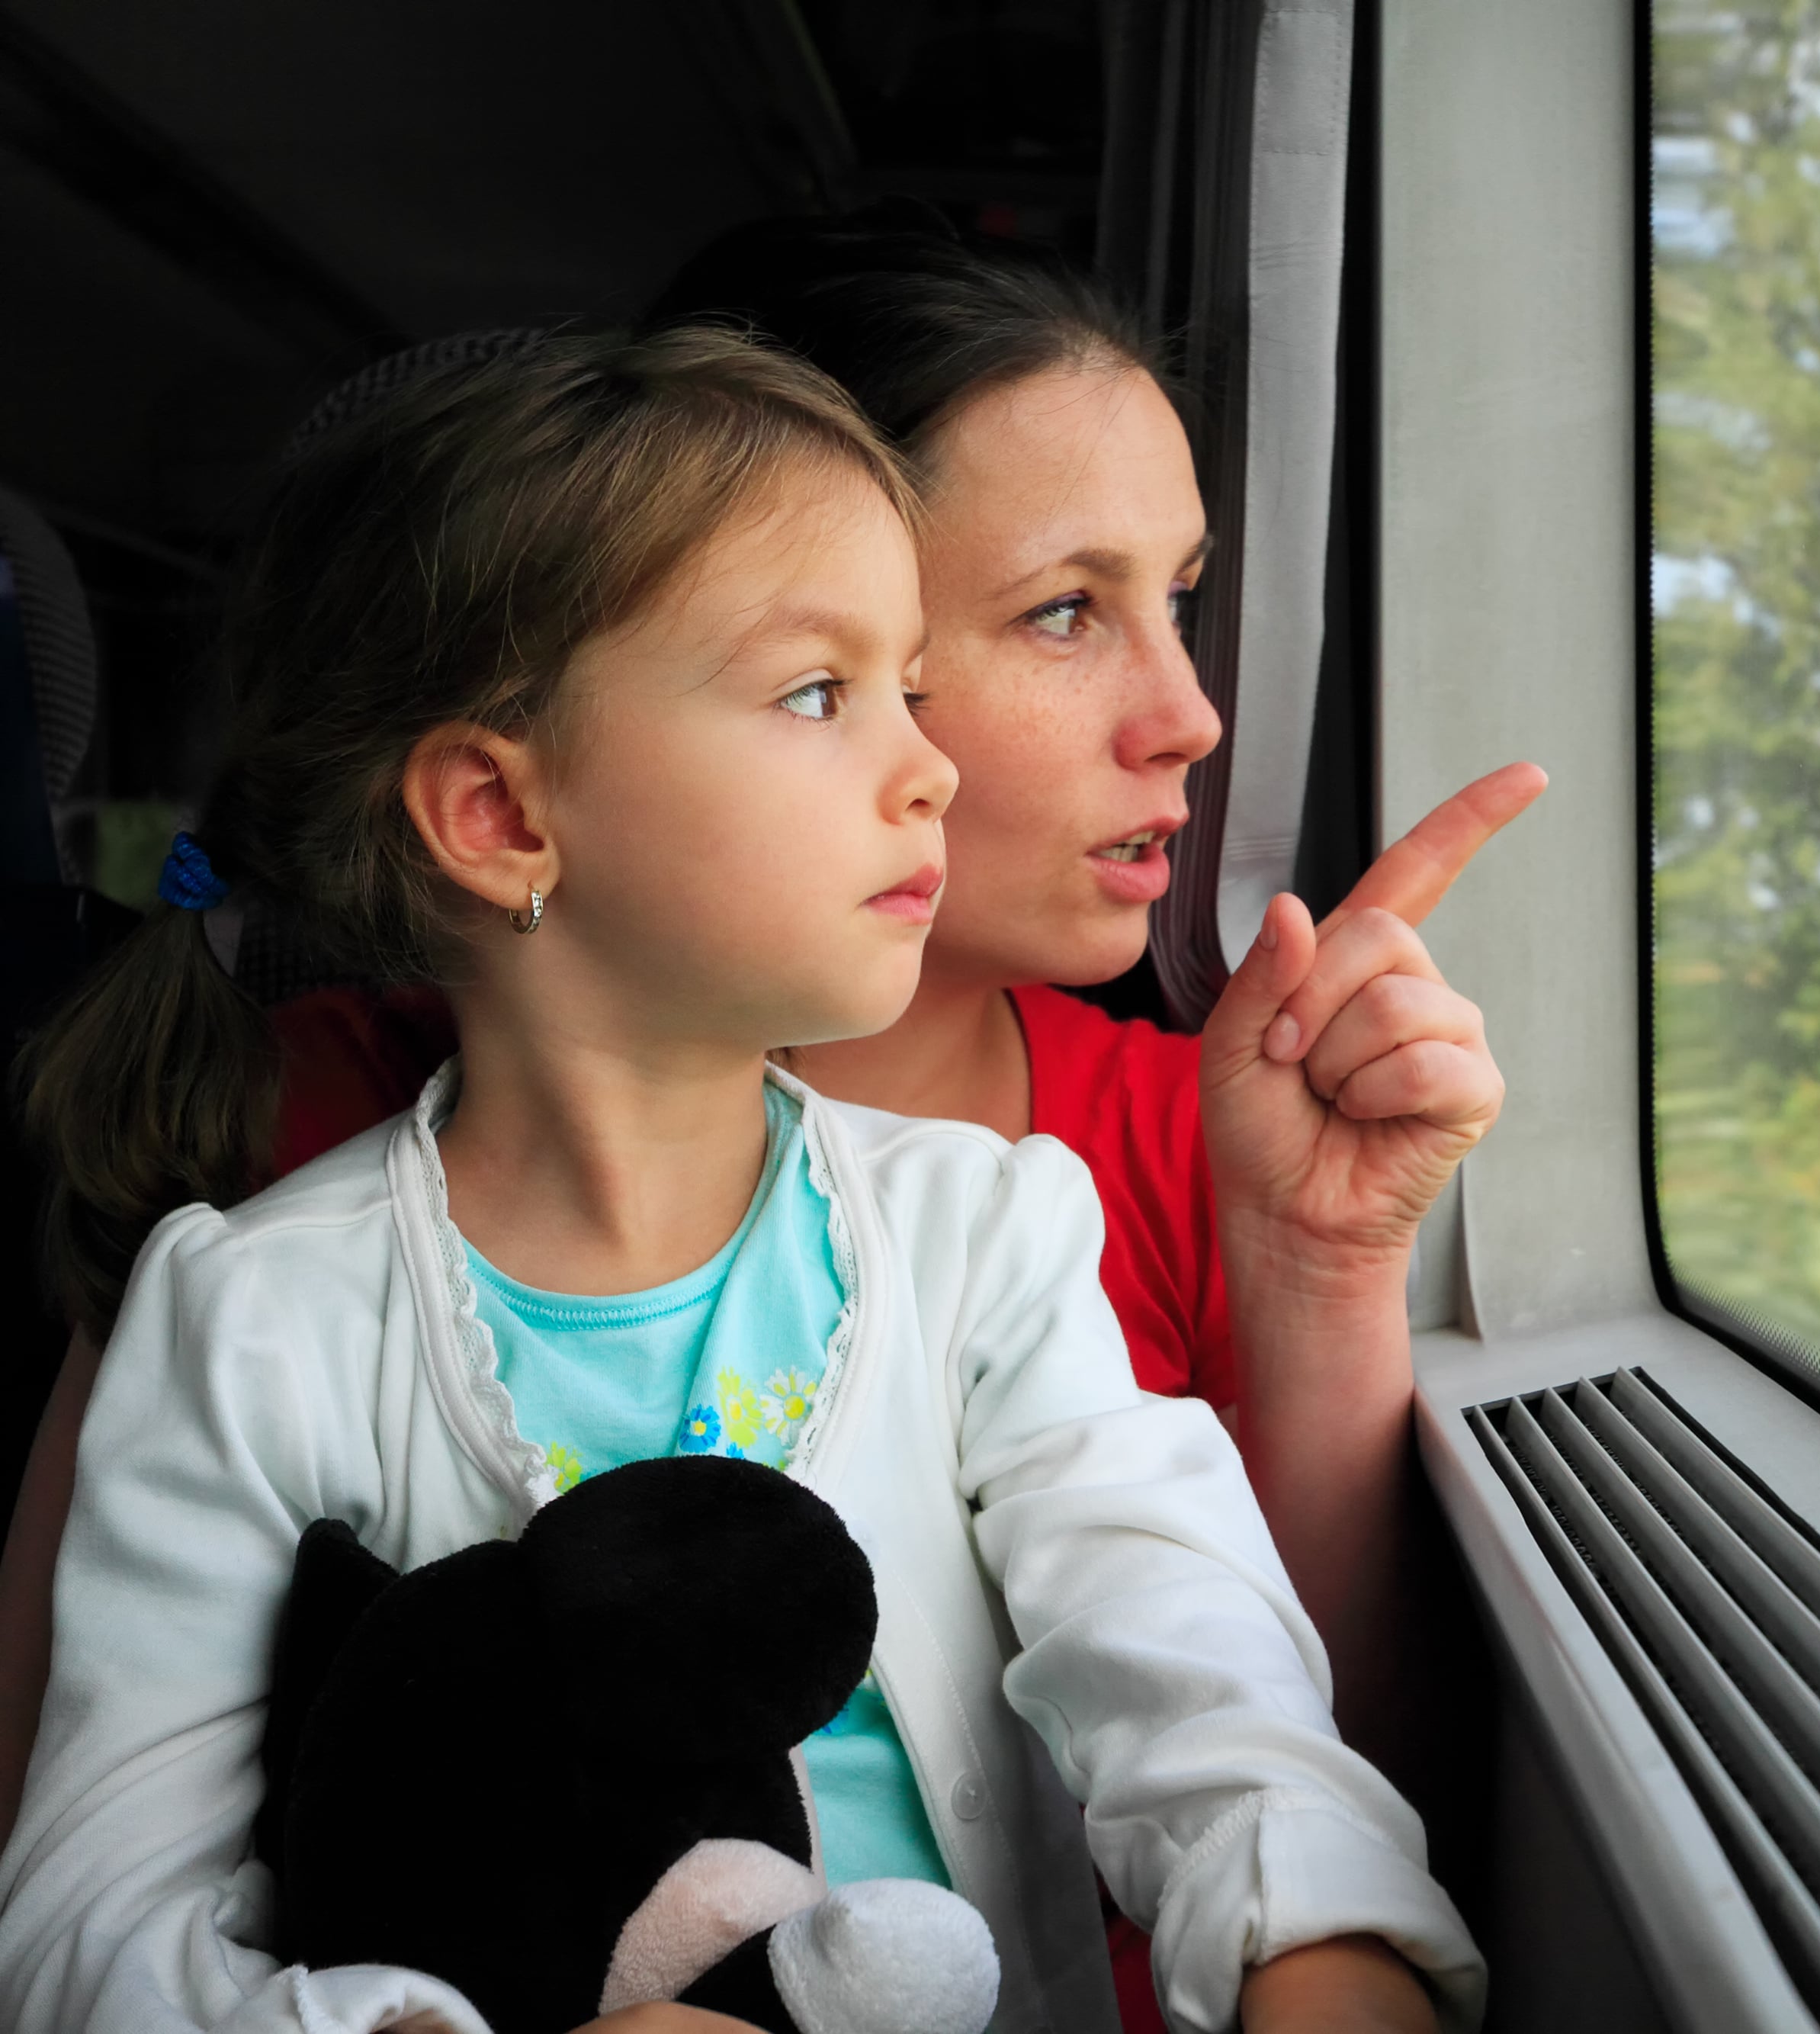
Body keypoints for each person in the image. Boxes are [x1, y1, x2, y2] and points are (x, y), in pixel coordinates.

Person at [1, 227, 1540, 2029]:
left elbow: (1201, 1683)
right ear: (500, 814)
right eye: (827, 689)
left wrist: (1318, 1939)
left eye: (906, 680)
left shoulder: (995, 1232)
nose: (929, 764)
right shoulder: (247, 1301)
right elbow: (87, 1915)